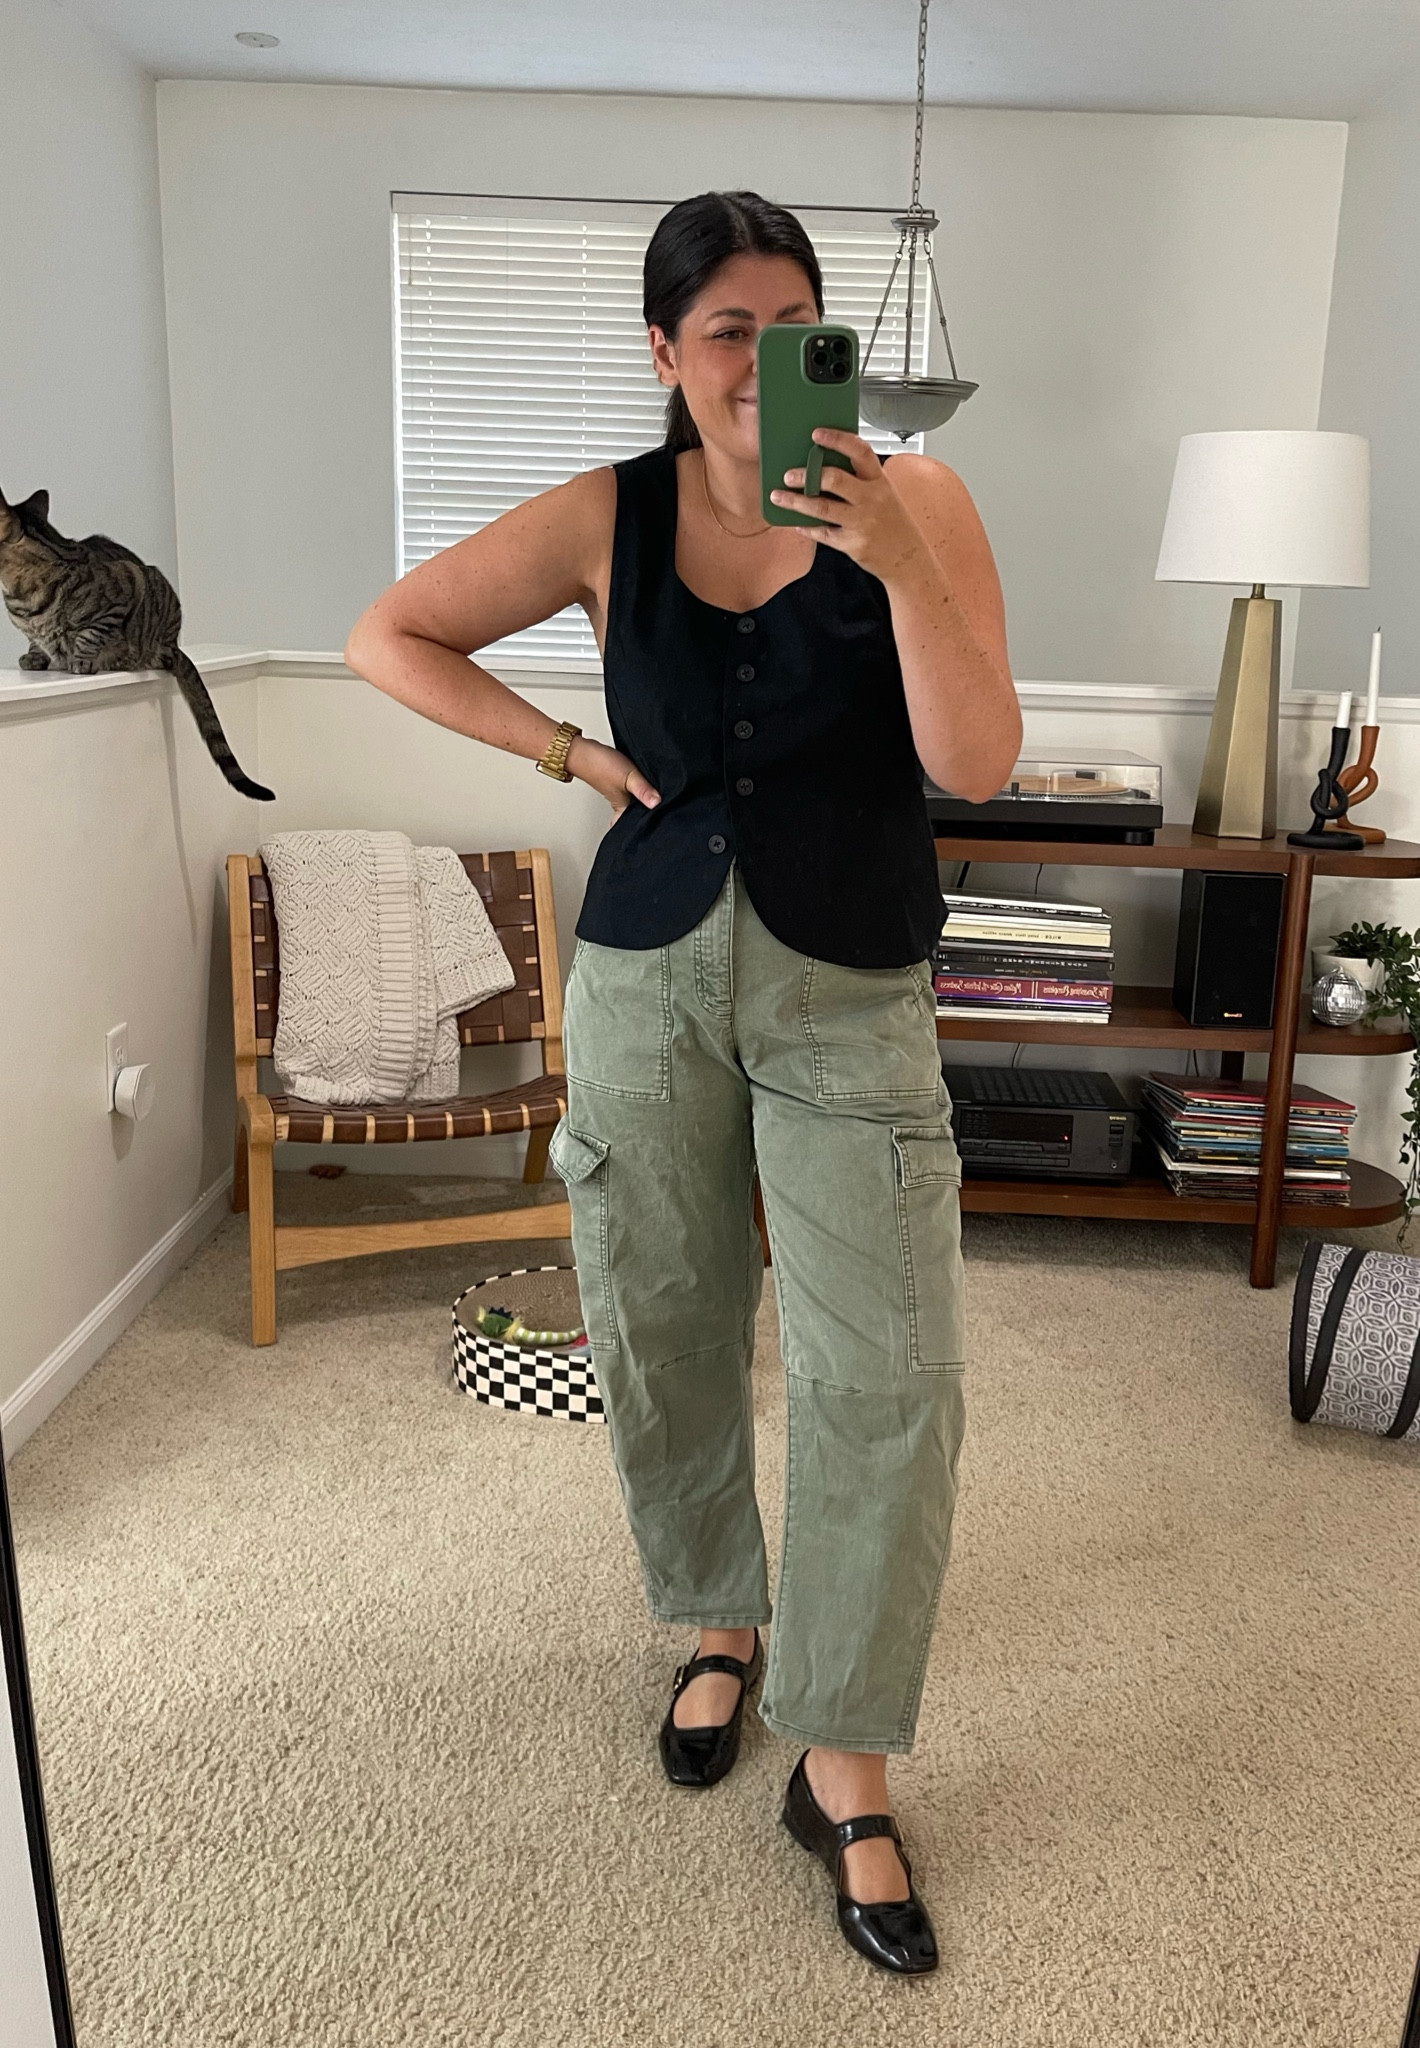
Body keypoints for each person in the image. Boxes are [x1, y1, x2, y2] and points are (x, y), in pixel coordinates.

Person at [345, 189, 1020, 1975]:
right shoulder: (603, 515)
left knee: (892, 1368)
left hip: (852, 985)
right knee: (661, 1315)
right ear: (662, 349)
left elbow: (976, 759)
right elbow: (388, 634)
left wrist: (896, 558)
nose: (761, 364)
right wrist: (565, 751)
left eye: (798, 330)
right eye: (728, 330)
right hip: (645, 975)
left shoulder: (921, 498)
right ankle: (719, 1615)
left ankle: (846, 1762)